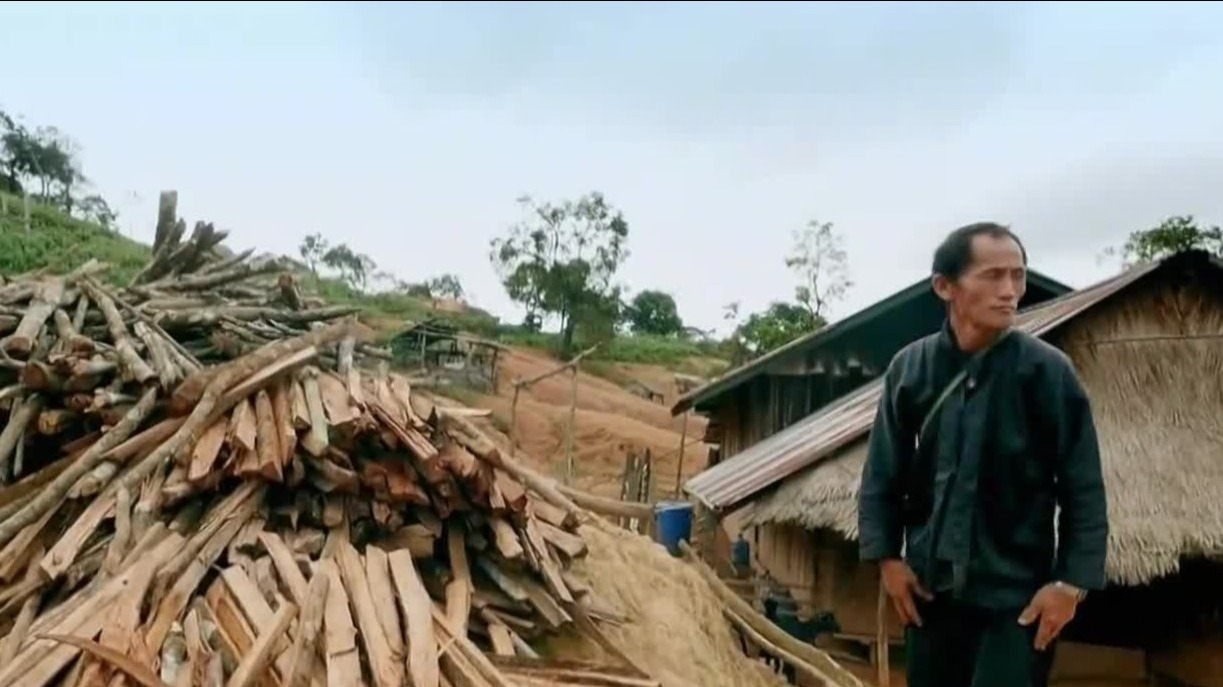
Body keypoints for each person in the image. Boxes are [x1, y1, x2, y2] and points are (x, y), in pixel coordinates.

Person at [857, 222, 1109, 687]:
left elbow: (1084, 489)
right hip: (930, 594)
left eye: (1018, 276)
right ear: (944, 286)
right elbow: (881, 476)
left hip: (1018, 602)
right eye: (993, 276)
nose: (1010, 291)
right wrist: (888, 560)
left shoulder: (1048, 373)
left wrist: (1069, 586)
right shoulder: (911, 369)